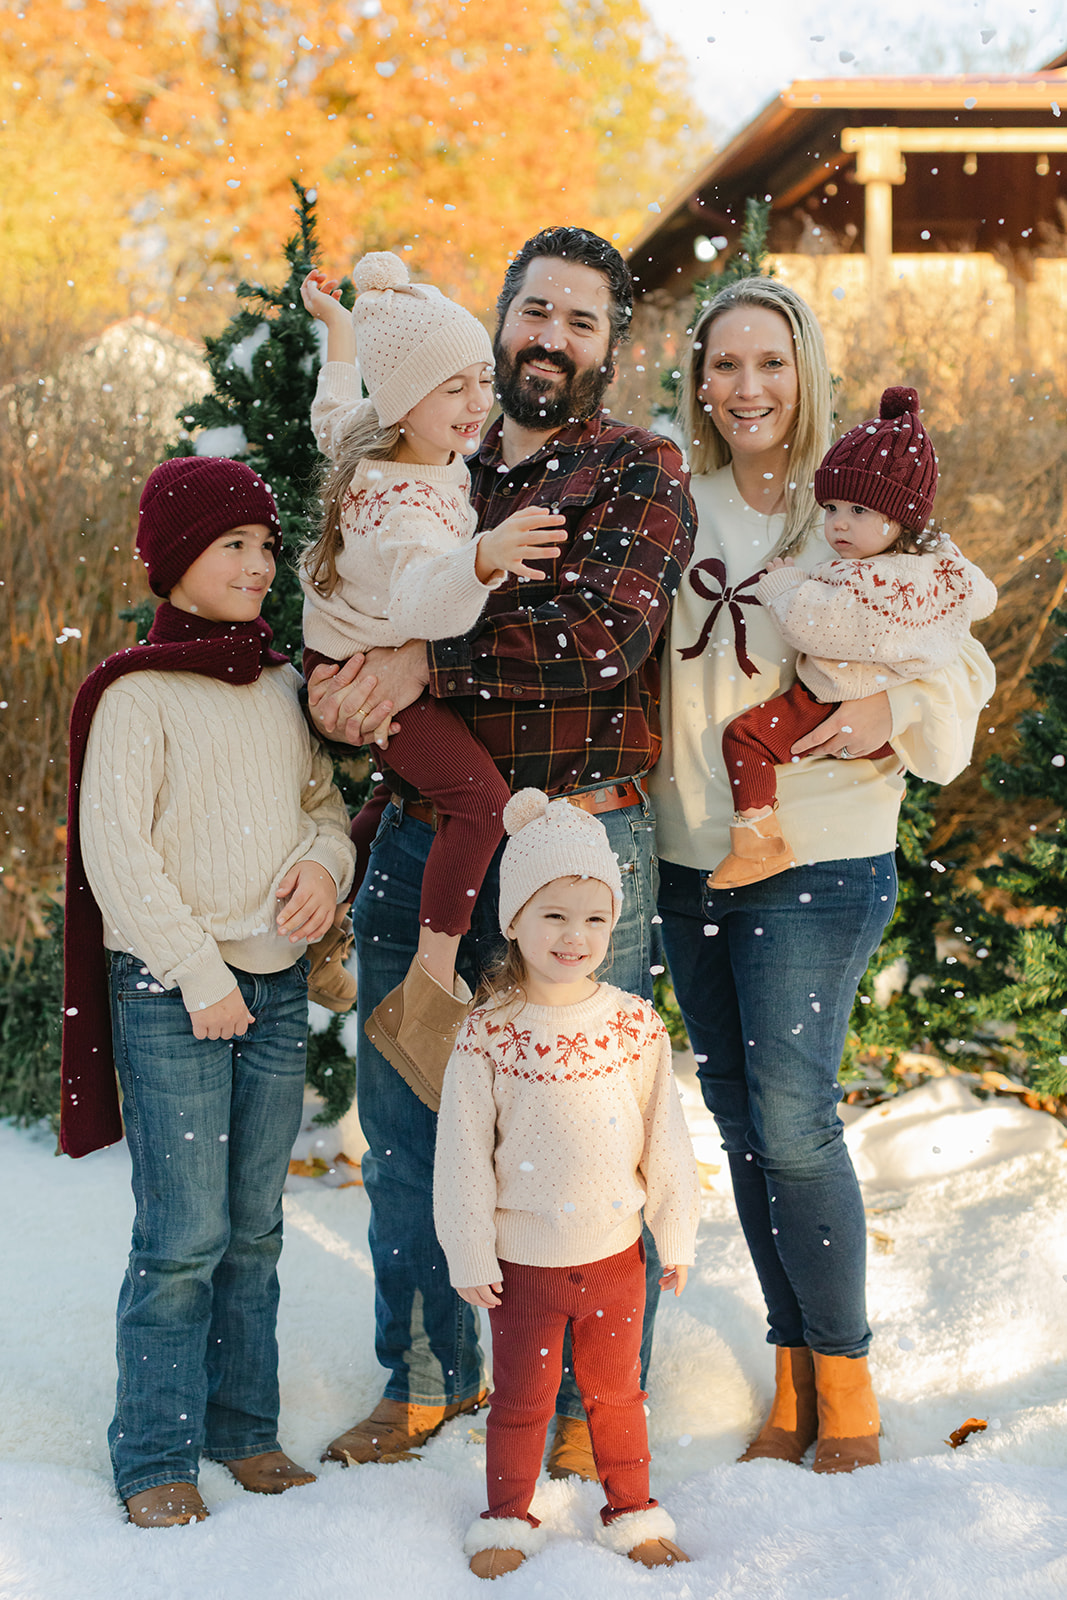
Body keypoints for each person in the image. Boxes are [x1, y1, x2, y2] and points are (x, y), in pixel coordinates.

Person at [306, 227, 695, 1476]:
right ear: (499, 316)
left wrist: (426, 658)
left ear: (608, 346)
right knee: (412, 1112)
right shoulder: (428, 448)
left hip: (581, 839)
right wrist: (338, 684)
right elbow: (350, 596)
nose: (550, 337)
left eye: (581, 321)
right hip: (428, 831)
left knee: (586, 1128)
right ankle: (421, 1377)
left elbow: (598, 632)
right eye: (535, 310)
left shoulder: (635, 469)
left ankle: (588, 1405)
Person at [651, 277, 995, 1473]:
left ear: (805, 376)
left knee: (792, 1122)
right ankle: (791, 1375)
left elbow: (962, 669)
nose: (747, 388)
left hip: (822, 855)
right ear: (698, 378)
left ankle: (844, 1383)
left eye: (771, 363)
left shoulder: (850, 504)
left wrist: (889, 706)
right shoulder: (668, 506)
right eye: (725, 363)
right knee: (742, 1121)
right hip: (687, 855)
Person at [60, 457, 356, 1526]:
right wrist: (196, 975)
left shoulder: (278, 683)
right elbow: (117, 857)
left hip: (274, 991)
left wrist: (326, 864)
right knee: (181, 1237)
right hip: (174, 991)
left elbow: (324, 804)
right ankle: (155, 1453)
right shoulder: (137, 694)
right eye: (233, 544)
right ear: (176, 555)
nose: (258, 564)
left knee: (256, 1226)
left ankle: (242, 1426)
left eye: (266, 546)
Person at [298, 251, 565, 1102]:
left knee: (403, 788)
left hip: (343, 655)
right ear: (406, 400)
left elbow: (331, 406)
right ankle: (433, 980)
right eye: (453, 390)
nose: (478, 404)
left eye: (479, 381)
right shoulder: (410, 504)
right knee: (478, 803)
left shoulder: (371, 434)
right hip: (367, 668)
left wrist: (340, 330)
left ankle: (330, 924)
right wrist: (482, 557)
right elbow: (423, 607)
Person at [433, 790, 699, 1578]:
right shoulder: (487, 1032)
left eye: (592, 917)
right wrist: (470, 1251)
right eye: (552, 916)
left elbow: (667, 1143)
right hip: (523, 1267)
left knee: (617, 1397)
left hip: (616, 1260)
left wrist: (675, 1236)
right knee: (521, 1402)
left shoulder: (631, 1025)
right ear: (512, 919)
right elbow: (461, 1157)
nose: (574, 936)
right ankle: (506, 1520)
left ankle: (633, 1513)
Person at [710, 384, 998, 888]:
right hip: (876, 741)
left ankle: (758, 841)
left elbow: (814, 625)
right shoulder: (936, 569)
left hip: (832, 700)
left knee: (746, 738)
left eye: (859, 512)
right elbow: (982, 598)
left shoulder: (864, 579)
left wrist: (783, 585)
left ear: (900, 517)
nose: (839, 525)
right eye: (833, 510)